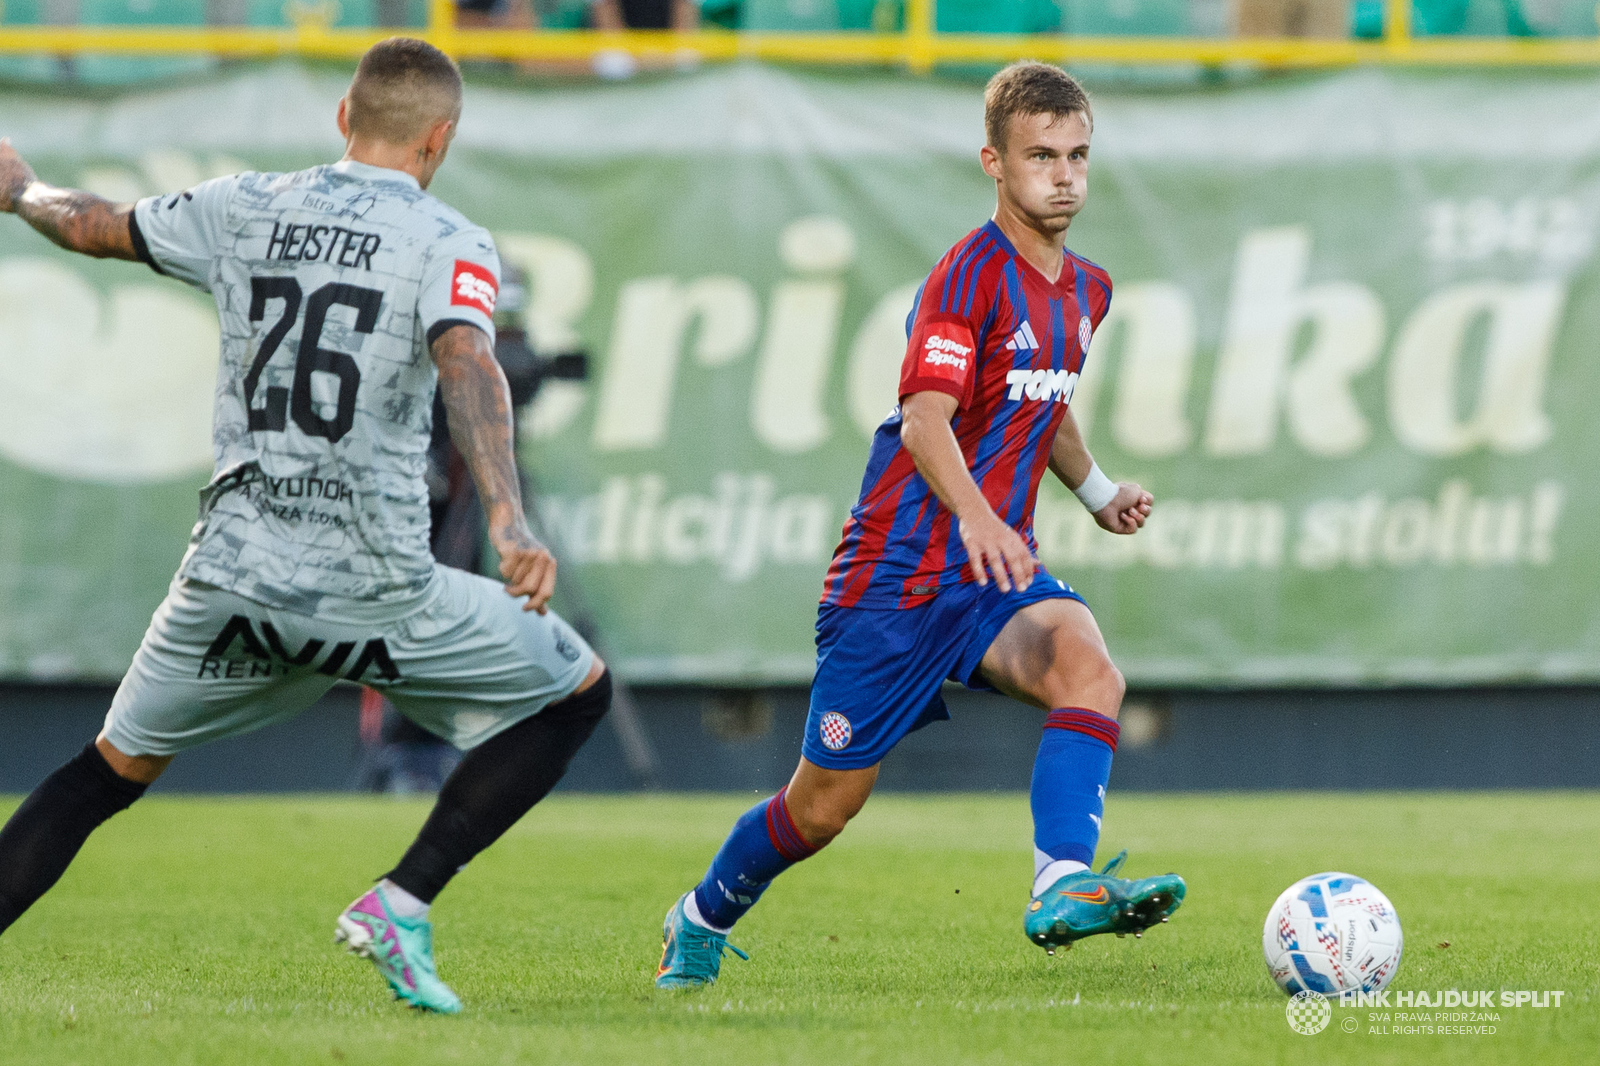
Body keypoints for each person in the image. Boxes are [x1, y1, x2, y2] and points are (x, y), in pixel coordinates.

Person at [0, 37, 611, 1015]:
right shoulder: (450, 240)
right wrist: (504, 512)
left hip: (231, 582)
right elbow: (468, 364)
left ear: (342, 117)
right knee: (577, 691)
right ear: (440, 139)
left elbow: (93, 226)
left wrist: (23, 189)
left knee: (103, 775)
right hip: (374, 591)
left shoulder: (242, 205)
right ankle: (402, 897)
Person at [654, 60, 1186, 989]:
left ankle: (1060, 881)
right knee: (820, 810)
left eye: (1077, 156)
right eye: (1040, 156)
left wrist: (1096, 492)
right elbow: (925, 417)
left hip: (990, 577)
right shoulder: (967, 276)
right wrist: (981, 518)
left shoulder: (1086, 289)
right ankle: (698, 914)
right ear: (994, 161)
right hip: (893, 578)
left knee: (1089, 668)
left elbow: (1043, 399)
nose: (1063, 175)